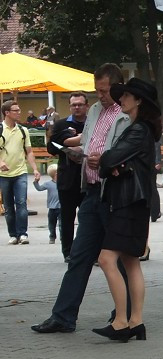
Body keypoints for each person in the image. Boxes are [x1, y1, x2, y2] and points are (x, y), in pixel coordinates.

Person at [30, 63, 130, 335]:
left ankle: (124, 314)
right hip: (92, 191)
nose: (101, 96)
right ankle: (63, 316)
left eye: (106, 90)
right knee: (79, 256)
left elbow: (127, 149)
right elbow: (90, 141)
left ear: (118, 87)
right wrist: (76, 151)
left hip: (115, 192)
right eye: (97, 91)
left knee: (119, 258)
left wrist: (105, 160)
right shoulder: (97, 111)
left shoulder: (127, 113)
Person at [89, 77, 160, 343]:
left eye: (127, 96)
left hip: (130, 202)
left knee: (108, 259)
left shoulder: (138, 129)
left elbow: (110, 158)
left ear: (139, 101)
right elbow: (115, 160)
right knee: (130, 261)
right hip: (134, 202)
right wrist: (111, 163)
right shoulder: (140, 129)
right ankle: (136, 322)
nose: (122, 100)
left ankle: (121, 322)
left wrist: (109, 163)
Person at [47, 92, 88, 260]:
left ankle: (87, 251)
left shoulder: (92, 124)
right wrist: (66, 139)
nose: (76, 107)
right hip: (67, 178)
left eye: (80, 104)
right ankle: (68, 252)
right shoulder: (61, 125)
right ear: (70, 106)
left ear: (86, 105)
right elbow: (51, 148)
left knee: (88, 218)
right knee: (67, 217)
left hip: (89, 178)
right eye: (73, 105)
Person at [1, 99, 41, 245]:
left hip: (20, 172)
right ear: (7, 113)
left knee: (21, 203)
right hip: (3, 175)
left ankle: (23, 234)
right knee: (9, 206)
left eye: (19, 110)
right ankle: (13, 235)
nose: (19, 112)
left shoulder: (23, 130)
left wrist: (35, 169)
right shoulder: (0, 129)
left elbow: (29, 152)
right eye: (15, 110)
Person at [33, 164, 60, 245]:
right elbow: (39, 188)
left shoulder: (63, 183)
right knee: (51, 224)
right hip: (52, 208)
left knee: (62, 224)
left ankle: (63, 237)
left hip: (61, 207)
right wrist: (36, 182)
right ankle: (52, 236)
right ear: (56, 174)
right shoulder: (48, 184)